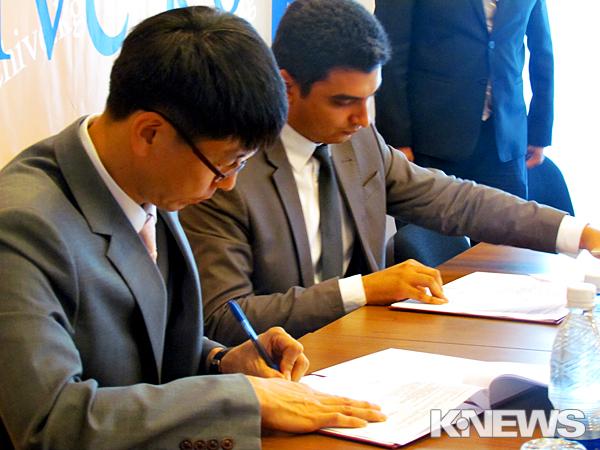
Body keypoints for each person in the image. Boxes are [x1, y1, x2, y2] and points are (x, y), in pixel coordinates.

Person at [0, 7, 386, 450]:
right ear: (150, 133)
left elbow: (145, 342)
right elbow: (50, 422)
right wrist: (243, 399)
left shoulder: (146, 177)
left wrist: (221, 361)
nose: (229, 184)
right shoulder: (23, 227)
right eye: (227, 164)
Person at [180, 0, 600, 347]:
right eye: (343, 101)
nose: (363, 119)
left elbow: (457, 200)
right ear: (286, 85)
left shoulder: (359, 141)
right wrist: (364, 290)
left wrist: (580, 234)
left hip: (369, 350)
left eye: (369, 98)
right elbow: (223, 320)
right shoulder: (225, 173)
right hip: (280, 376)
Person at [374, 0, 554, 199]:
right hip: (432, 139)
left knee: (511, 218)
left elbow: (542, 51)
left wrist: (539, 133)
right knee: (427, 219)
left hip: (505, 140)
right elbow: (388, 52)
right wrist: (396, 140)